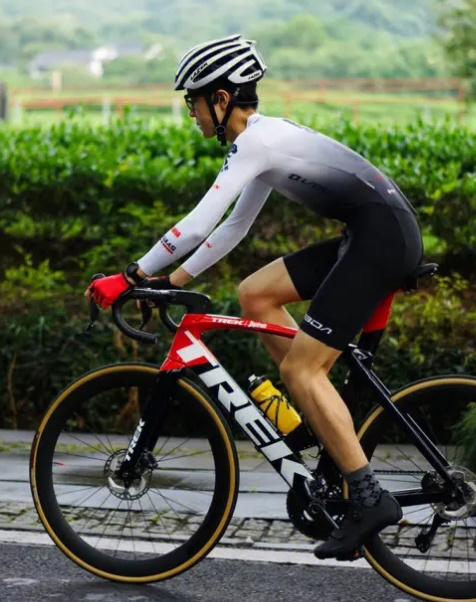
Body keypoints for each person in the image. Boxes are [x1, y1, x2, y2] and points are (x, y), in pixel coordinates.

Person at [86, 34, 423, 559]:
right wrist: (171, 283)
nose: (191, 113)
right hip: (371, 235)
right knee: (255, 294)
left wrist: (130, 276)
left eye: (194, 102)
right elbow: (233, 228)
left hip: (381, 241)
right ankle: (314, 417)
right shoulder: (262, 143)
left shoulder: (255, 144)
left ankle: (369, 497)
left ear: (221, 99)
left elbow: (198, 224)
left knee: (303, 371)